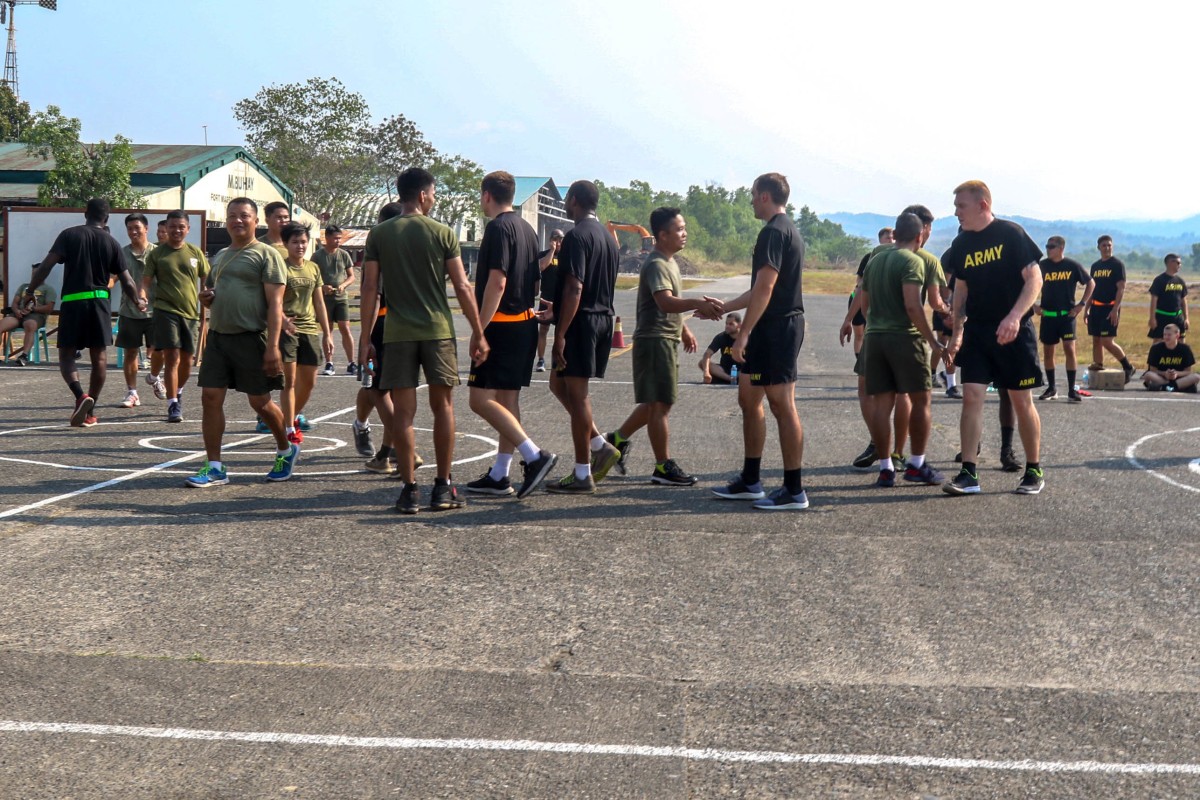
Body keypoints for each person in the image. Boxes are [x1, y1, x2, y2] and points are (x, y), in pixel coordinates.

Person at [358, 167, 488, 514]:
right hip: (437, 331)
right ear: (421, 195)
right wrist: (478, 331)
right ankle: (443, 486)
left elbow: (369, 288)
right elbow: (462, 286)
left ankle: (409, 489)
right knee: (442, 406)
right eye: (432, 194)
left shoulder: (379, 234)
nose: (433, 199)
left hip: (397, 332)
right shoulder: (442, 232)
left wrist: (365, 338)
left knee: (403, 412)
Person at [941, 180, 1045, 496]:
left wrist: (1014, 317)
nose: (956, 212)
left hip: (1014, 332)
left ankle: (1033, 470)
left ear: (982, 205)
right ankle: (968, 473)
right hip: (978, 332)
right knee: (972, 395)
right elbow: (961, 290)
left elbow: (1034, 279)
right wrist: (957, 334)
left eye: (961, 206)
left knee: (1020, 400)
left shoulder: (1011, 234)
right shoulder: (961, 244)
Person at [713, 172, 809, 510]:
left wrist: (744, 334)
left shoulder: (774, 232)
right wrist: (724, 306)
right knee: (749, 396)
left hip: (777, 329)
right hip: (768, 328)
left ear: (765, 196)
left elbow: (766, 289)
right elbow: (758, 289)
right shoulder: (781, 230)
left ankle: (794, 490)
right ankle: (750, 480)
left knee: (782, 404)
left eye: (754, 194)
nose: (752, 200)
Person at [187, 197, 297, 487]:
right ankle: (215, 467)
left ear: (255, 221)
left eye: (244, 215)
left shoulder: (267, 254)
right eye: (232, 215)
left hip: (252, 338)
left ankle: (285, 449)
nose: (237, 220)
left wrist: (273, 347)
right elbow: (214, 293)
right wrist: (206, 300)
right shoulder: (221, 255)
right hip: (219, 337)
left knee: (260, 402)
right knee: (210, 398)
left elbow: (276, 304)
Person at [606, 207, 721, 486]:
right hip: (655, 340)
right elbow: (665, 302)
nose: (685, 233)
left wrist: (684, 329)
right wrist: (696, 304)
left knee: (654, 402)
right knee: (661, 405)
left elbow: (669, 302)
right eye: (679, 229)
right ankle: (662, 467)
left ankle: (615, 440)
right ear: (662, 235)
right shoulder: (657, 264)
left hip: (664, 339)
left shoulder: (670, 262)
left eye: (684, 228)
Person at [464, 171, 558, 498]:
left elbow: (498, 281)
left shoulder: (498, 228)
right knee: (507, 399)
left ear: (487, 195)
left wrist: (479, 329)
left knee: (479, 399)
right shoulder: (527, 229)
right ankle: (500, 473)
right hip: (524, 322)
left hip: (501, 325)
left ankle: (534, 455)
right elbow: (535, 281)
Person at [25, 198, 146, 426]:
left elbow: (47, 265)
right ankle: (91, 411)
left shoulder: (69, 235)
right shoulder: (111, 243)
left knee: (67, 355)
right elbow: (127, 280)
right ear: (106, 218)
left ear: (85, 213)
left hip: (73, 302)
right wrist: (138, 301)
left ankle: (80, 395)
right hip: (100, 303)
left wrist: (30, 290)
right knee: (99, 357)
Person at [544, 180, 622, 494]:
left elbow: (575, 287)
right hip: (602, 317)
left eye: (567, 199)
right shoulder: (608, 238)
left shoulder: (577, 236)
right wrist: (556, 310)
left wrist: (560, 333)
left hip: (582, 322)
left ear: (574, 200)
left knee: (578, 396)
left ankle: (582, 473)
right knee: (557, 384)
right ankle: (600, 445)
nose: (565, 204)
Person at [858, 212, 946, 487]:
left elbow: (864, 304)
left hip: (875, 337)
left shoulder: (875, 260)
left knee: (882, 404)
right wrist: (932, 340)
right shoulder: (912, 261)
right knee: (921, 400)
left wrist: (876, 324)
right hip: (904, 338)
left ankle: (886, 468)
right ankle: (916, 464)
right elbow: (913, 305)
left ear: (895, 234)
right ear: (920, 236)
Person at [355, 202, 424, 474]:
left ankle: (405, 450)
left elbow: (374, 293)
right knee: (395, 393)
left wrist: (365, 338)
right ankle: (385, 454)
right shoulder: (413, 250)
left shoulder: (381, 248)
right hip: (410, 324)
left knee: (377, 390)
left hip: (384, 324)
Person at [142, 210, 210, 423]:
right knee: (172, 356)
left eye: (181, 227)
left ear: (188, 229)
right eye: (172, 226)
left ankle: (178, 392)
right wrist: (142, 296)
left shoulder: (195, 252)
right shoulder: (157, 254)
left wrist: (207, 296)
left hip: (190, 313)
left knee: (187, 361)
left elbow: (206, 279)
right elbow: (145, 281)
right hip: (165, 311)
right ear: (166, 228)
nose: (177, 230)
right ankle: (173, 404)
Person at [278, 222, 334, 444]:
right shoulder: (281, 267)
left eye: (303, 242)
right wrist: (282, 320)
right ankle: (289, 428)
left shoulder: (313, 268)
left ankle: (288, 417)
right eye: (295, 242)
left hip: (310, 329)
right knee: (290, 381)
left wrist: (327, 333)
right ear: (286, 244)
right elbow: (272, 300)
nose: (300, 246)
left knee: (309, 382)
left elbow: (319, 303)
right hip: (287, 331)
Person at [1035, 235, 1093, 402]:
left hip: (1067, 316)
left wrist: (1081, 304)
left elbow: (1091, 283)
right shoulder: (1042, 266)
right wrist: (1033, 305)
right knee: (1048, 351)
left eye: (1051, 246)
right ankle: (1052, 388)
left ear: (1061, 248)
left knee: (1069, 348)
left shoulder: (1071, 265)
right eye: (1047, 246)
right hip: (1048, 316)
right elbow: (1025, 283)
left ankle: (1071, 389)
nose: (1048, 249)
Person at [115, 213, 164, 407]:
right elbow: (112, 278)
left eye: (137, 227)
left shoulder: (158, 252)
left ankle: (154, 377)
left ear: (146, 228)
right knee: (131, 353)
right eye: (130, 228)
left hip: (156, 311)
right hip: (130, 311)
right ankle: (132, 392)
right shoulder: (121, 254)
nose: (133, 232)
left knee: (160, 351)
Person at [1087, 235, 1136, 381]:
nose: (1107, 248)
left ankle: (1128, 366)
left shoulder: (1117, 264)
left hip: (1110, 308)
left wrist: (1115, 309)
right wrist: (1087, 308)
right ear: (1098, 247)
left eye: (1109, 245)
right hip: (1095, 307)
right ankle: (1098, 364)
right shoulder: (1095, 266)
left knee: (1107, 341)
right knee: (1096, 339)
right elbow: (1092, 289)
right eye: (1104, 245)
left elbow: (1121, 288)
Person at [313, 224, 358, 376]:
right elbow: (312, 277)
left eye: (339, 238)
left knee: (345, 328)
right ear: (326, 238)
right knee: (328, 330)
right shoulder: (317, 256)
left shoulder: (344, 254)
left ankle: (351, 363)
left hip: (341, 298)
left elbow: (351, 276)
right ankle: (329, 363)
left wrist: (343, 285)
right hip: (324, 299)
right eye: (335, 238)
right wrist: (322, 287)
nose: (338, 241)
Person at [1, 281, 56, 366]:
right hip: (18, 314)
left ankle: (24, 356)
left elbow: (49, 308)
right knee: (1, 325)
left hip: (36, 315)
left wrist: (33, 309)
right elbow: (15, 303)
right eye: (33, 273)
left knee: (30, 325)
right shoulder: (24, 286)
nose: (34, 275)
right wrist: (17, 311)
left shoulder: (48, 289)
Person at [534, 228, 565, 372]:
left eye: (560, 240)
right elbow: (541, 267)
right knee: (543, 330)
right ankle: (541, 360)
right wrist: (552, 251)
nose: (558, 243)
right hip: (546, 298)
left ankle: (559, 359)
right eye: (555, 239)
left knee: (561, 331)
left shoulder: (567, 255)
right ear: (550, 240)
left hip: (562, 299)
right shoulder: (544, 255)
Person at [1142, 323, 1197, 392]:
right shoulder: (1156, 348)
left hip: (1179, 378)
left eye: (1169, 335)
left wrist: (1176, 374)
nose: (1166, 337)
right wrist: (1165, 374)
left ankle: (1163, 387)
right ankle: (1177, 387)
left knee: (1196, 377)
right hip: (1162, 378)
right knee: (1148, 375)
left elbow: (1188, 371)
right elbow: (1153, 370)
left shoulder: (1185, 349)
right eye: (1164, 335)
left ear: (1177, 335)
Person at [1148, 253, 1188, 343]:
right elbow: (1154, 300)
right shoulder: (1159, 280)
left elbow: (1184, 301)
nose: (1180, 265)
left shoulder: (1180, 281)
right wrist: (1152, 318)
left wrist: (1186, 318)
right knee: (1158, 342)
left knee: (1181, 341)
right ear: (1170, 263)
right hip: (1162, 316)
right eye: (1178, 263)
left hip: (1177, 317)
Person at [699, 313, 741, 384]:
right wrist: (706, 373)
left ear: (739, 325)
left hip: (742, 371)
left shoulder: (748, 338)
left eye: (731, 324)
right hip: (724, 371)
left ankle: (739, 379)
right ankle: (730, 379)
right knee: (702, 363)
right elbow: (707, 354)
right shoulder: (721, 337)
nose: (727, 326)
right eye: (726, 323)